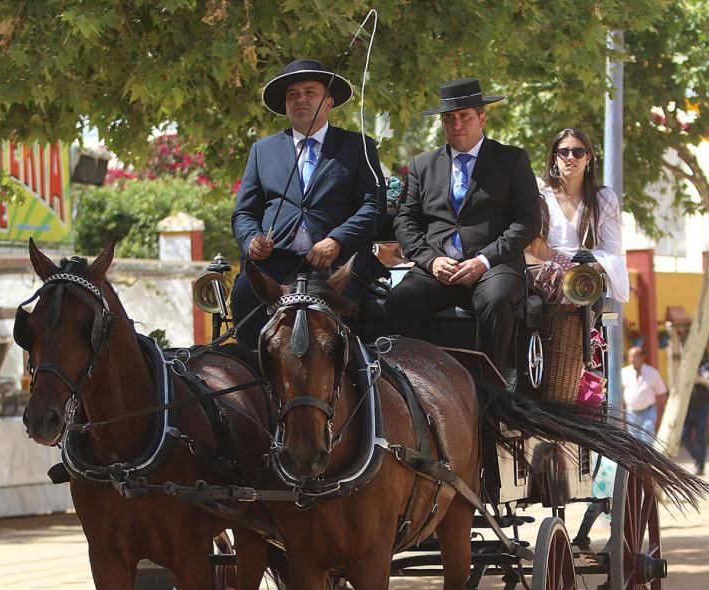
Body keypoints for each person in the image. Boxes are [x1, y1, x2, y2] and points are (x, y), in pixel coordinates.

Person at [387, 78, 541, 376]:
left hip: (493, 265)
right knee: (398, 301)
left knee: (496, 301)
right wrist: (430, 261)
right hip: (438, 268)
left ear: (482, 119)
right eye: (449, 118)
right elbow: (405, 221)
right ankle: (417, 387)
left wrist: (483, 261)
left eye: (465, 116)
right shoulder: (423, 165)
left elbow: (528, 221)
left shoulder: (511, 160)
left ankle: (489, 397)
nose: (456, 124)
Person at [229, 58, 387, 347]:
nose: (300, 98)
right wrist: (252, 240)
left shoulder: (358, 146)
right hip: (275, 265)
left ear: (328, 102)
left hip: (337, 266)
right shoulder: (262, 150)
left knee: (375, 308)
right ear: (285, 106)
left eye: (309, 92)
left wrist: (337, 240)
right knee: (243, 294)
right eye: (293, 94)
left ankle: (364, 382)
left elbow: (374, 207)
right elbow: (244, 212)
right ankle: (255, 381)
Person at [526, 128, 628, 304]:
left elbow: (612, 251)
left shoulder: (604, 198)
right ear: (554, 158)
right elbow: (530, 246)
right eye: (563, 152)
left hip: (586, 280)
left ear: (587, 158)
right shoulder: (539, 194)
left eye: (578, 152)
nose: (570, 157)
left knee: (586, 299)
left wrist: (578, 274)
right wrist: (562, 269)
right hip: (543, 277)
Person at [681, 353, 709, 475]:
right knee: (684, 435)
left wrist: (700, 380)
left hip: (702, 408)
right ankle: (698, 458)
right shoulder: (686, 367)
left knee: (701, 437)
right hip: (688, 408)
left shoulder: (708, 368)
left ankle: (700, 466)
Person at [621, 344, 667, 441]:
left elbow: (662, 393)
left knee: (647, 435)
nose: (632, 359)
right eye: (631, 357)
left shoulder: (652, 373)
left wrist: (661, 414)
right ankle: (638, 456)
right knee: (634, 439)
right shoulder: (624, 372)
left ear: (642, 357)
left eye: (635, 357)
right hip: (631, 411)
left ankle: (647, 456)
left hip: (648, 411)